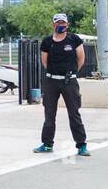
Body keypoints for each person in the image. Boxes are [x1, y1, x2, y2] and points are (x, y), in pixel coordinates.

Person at [34, 13, 90, 156]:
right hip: (51, 81)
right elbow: (44, 62)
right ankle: (47, 144)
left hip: (69, 81)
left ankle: (81, 145)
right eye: (58, 23)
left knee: (74, 113)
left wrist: (70, 73)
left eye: (63, 23)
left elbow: (81, 59)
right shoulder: (47, 42)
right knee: (49, 114)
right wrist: (54, 75)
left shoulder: (74, 39)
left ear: (67, 24)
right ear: (54, 25)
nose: (61, 25)